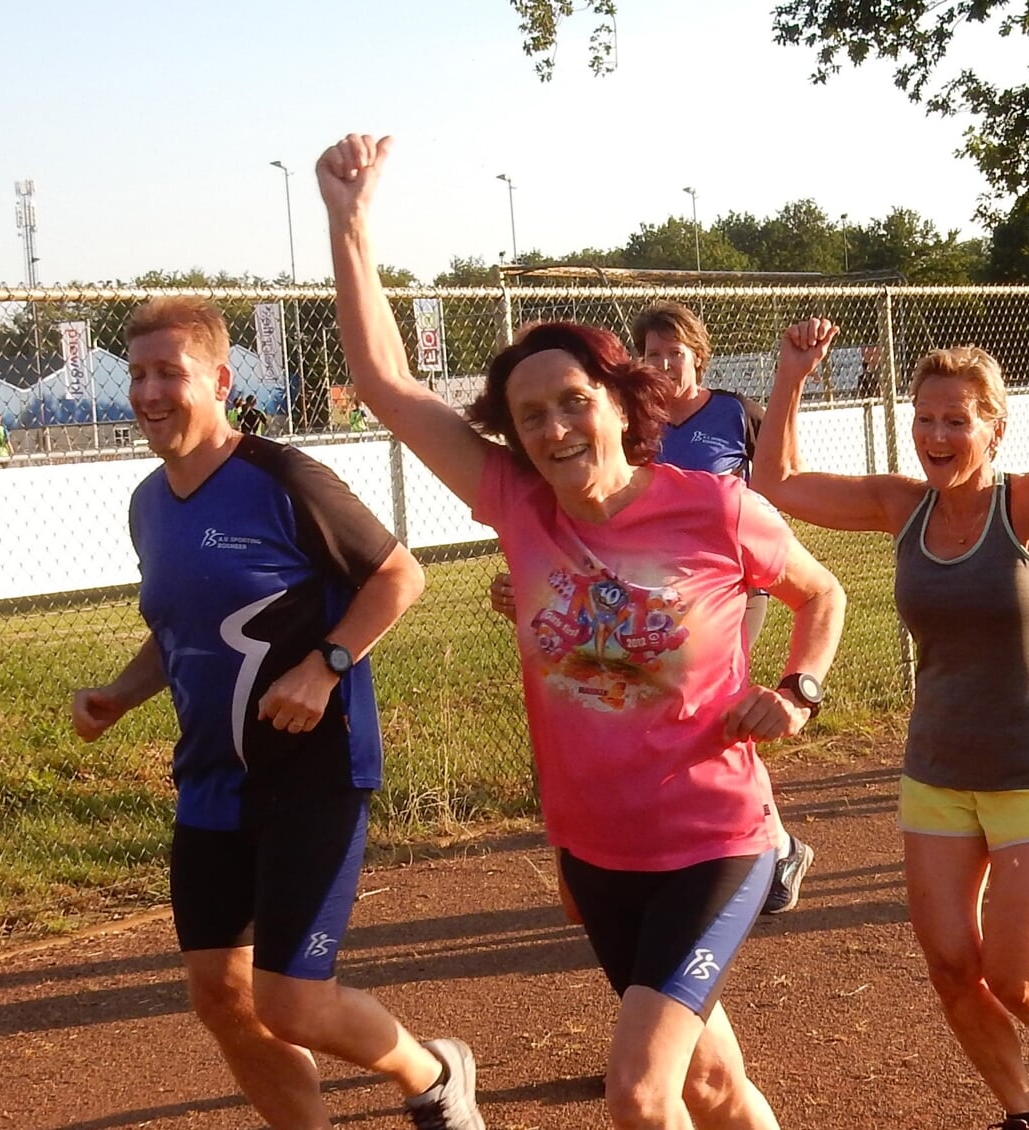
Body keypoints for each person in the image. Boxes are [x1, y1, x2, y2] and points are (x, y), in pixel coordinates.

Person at [320, 133, 845, 1130]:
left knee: (641, 1095)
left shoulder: (715, 509)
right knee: (711, 1084)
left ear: (617, 399)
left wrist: (799, 690)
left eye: (572, 402)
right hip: (596, 851)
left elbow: (824, 595)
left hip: (714, 837)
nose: (555, 429)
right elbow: (386, 382)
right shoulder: (517, 502)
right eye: (530, 416)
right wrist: (350, 221)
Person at [69, 296, 481, 1130]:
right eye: (137, 374)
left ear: (219, 380)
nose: (149, 392)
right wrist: (119, 693)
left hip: (312, 773)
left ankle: (433, 1071)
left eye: (169, 374)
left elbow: (401, 576)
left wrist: (326, 665)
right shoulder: (149, 504)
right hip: (213, 785)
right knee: (221, 996)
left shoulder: (284, 478)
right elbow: (181, 632)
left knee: (291, 1001)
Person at [757, 316, 1029, 1130]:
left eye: (957, 419)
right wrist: (791, 377)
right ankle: (1024, 1114)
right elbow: (779, 481)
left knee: (1017, 977)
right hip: (937, 769)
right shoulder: (899, 505)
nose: (936, 434)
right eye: (925, 417)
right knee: (951, 967)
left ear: (994, 426)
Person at [487, 300, 817, 916]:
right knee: (631, 683)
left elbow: (776, 483)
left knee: (704, 701)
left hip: (721, 587)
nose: (665, 364)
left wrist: (799, 690)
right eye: (654, 353)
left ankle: (766, 837)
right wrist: (539, 595)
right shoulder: (542, 495)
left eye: (675, 353)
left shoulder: (727, 419)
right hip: (615, 606)